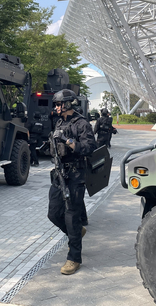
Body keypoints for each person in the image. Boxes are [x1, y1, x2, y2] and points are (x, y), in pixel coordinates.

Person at [47, 89, 97, 275]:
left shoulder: (82, 124)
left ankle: (74, 257)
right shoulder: (60, 122)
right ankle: (76, 231)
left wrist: (68, 141)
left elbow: (89, 147)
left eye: (59, 104)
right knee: (53, 214)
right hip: (60, 175)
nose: (57, 107)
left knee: (71, 216)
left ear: (68, 104)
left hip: (75, 176)